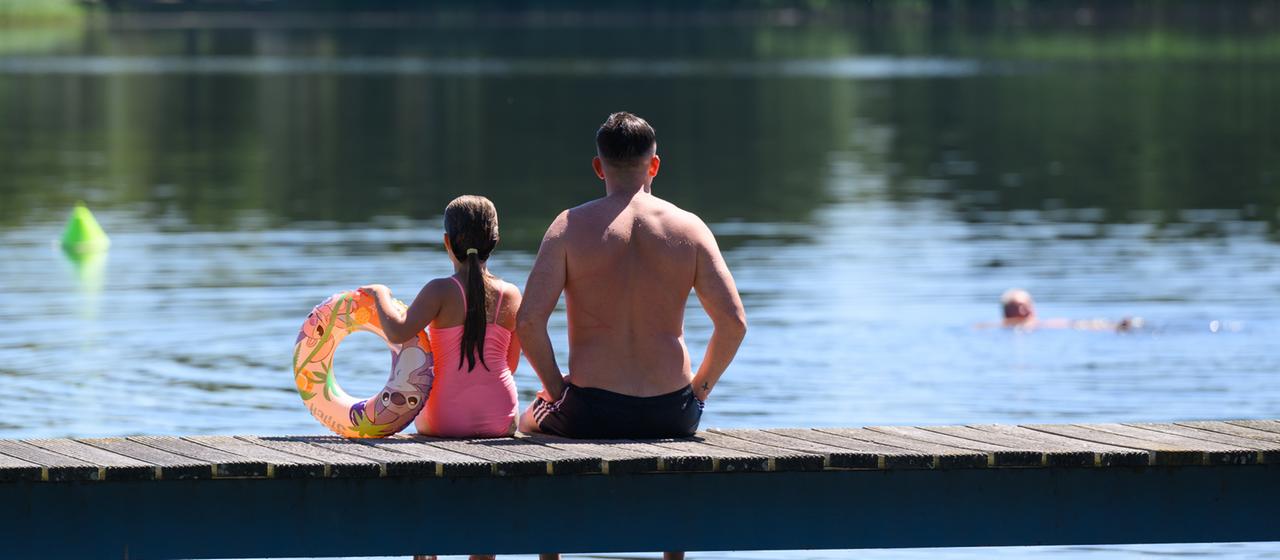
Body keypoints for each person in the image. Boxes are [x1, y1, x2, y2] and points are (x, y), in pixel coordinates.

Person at [517, 111, 746, 560]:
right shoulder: (690, 228)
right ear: (654, 166)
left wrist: (557, 390)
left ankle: (551, 551)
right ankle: (672, 554)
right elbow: (734, 324)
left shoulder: (569, 227)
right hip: (673, 412)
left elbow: (528, 322)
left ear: (599, 167)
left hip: (590, 412)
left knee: (526, 427)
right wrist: (698, 393)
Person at [362, 195, 522, 440]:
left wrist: (379, 293)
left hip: (444, 421)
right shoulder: (511, 295)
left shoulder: (440, 291)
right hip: (501, 418)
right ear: (495, 241)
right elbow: (510, 366)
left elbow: (397, 331)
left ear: (447, 241)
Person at [995, 288, 1138, 331]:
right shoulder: (1008, 326)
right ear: (1006, 313)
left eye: (1025, 306)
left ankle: (1117, 326)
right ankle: (1118, 327)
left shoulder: (1041, 323)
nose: (1022, 312)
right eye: (1016, 308)